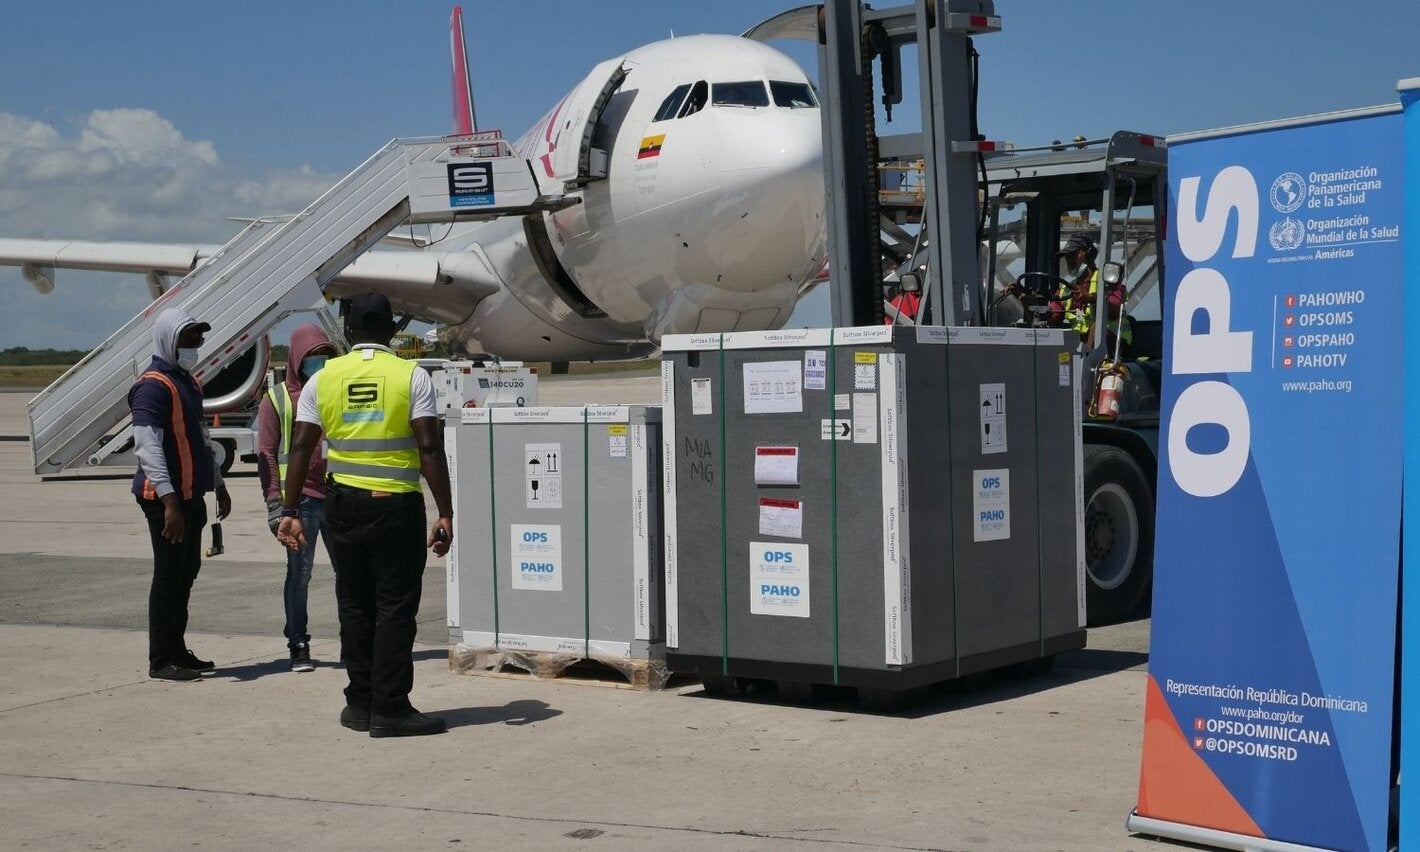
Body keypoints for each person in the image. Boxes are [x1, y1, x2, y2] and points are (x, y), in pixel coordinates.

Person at [276, 293, 454, 737]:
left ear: (348, 331)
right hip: (394, 505)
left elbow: (300, 447)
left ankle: (359, 703)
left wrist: (290, 509)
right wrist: (446, 511)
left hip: (341, 505)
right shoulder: (411, 376)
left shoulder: (323, 379)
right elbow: (429, 448)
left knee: (354, 604)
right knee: (394, 606)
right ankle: (390, 708)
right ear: (392, 330)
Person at [128, 308, 232, 681]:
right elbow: (147, 447)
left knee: (187, 572)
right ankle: (161, 659)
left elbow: (202, 439)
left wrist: (218, 482)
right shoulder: (153, 386)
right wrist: (169, 502)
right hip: (164, 500)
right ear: (169, 341)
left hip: (190, 495)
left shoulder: (188, 382)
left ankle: (177, 651)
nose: (196, 344)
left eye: (198, 338)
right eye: (188, 338)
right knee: (169, 575)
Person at [256, 323, 337, 673]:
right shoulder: (276, 399)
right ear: (296, 359)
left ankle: (354, 638)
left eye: (325, 355)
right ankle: (298, 643)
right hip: (301, 501)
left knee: (349, 574)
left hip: (339, 494)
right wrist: (275, 502)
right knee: (300, 574)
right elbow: (267, 453)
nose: (319, 362)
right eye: (312, 357)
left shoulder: (336, 388)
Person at [1053, 234, 1129, 351]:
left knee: (1097, 327)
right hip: (1080, 345)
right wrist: (1027, 302)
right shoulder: (1065, 289)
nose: (1069, 260)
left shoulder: (1109, 281)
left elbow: (1114, 312)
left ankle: (1085, 359)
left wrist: (1093, 299)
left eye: (1073, 255)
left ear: (1089, 254)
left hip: (1117, 345)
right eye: (1067, 257)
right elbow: (1052, 320)